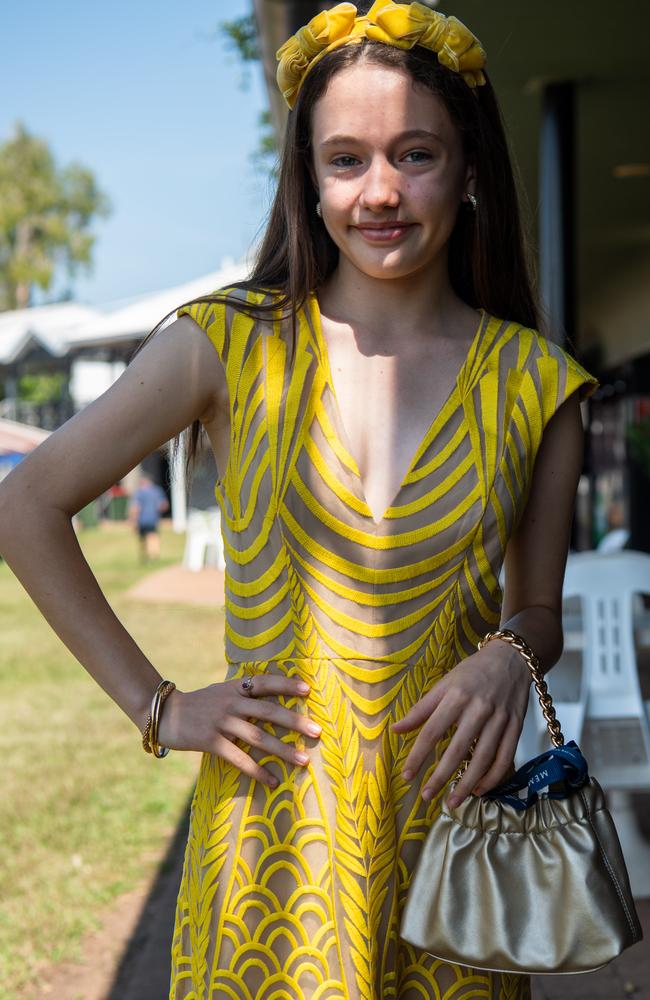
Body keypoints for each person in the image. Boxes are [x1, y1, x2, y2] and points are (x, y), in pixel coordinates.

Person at [0, 2, 600, 997]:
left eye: (414, 154)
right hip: (266, 861)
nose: (379, 192)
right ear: (306, 181)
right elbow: (25, 507)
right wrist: (159, 708)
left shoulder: (536, 386)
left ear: (468, 169)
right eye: (344, 159)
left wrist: (510, 654)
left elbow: (536, 610)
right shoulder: (224, 345)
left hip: (450, 848)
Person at [129, 473, 169, 561]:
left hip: (142, 520)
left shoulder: (139, 492)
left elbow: (135, 508)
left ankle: (145, 557)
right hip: (153, 519)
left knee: (142, 539)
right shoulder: (157, 490)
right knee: (153, 537)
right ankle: (154, 556)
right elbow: (164, 505)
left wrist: (133, 520)